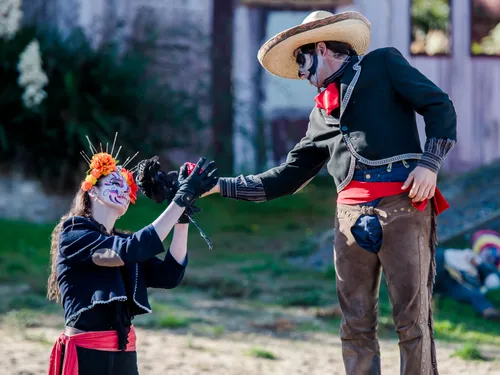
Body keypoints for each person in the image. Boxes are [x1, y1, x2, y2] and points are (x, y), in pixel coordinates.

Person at [203, 10, 456, 375]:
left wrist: (430, 163)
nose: (303, 76)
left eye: (302, 63)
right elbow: (287, 177)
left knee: (412, 322)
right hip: (348, 220)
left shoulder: (383, 64)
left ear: (321, 48)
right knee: (354, 324)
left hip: (402, 206)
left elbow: (439, 105)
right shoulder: (320, 115)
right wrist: (217, 187)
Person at [46, 139, 218, 375]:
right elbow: (129, 250)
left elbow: (170, 275)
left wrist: (182, 217)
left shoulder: (123, 242)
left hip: (125, 354)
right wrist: (181, 199)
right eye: (114, 182)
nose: (124, 190)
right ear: (93, 190)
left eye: (127, 187)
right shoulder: (74, 232)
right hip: (87, 354)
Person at [434, 245, 500, 321]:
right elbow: (472, 258)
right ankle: (487, 310)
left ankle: (488, 310)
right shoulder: (472, 258)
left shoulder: (477, 282)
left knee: (473, 294)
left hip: (446, 280)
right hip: (441, 262)